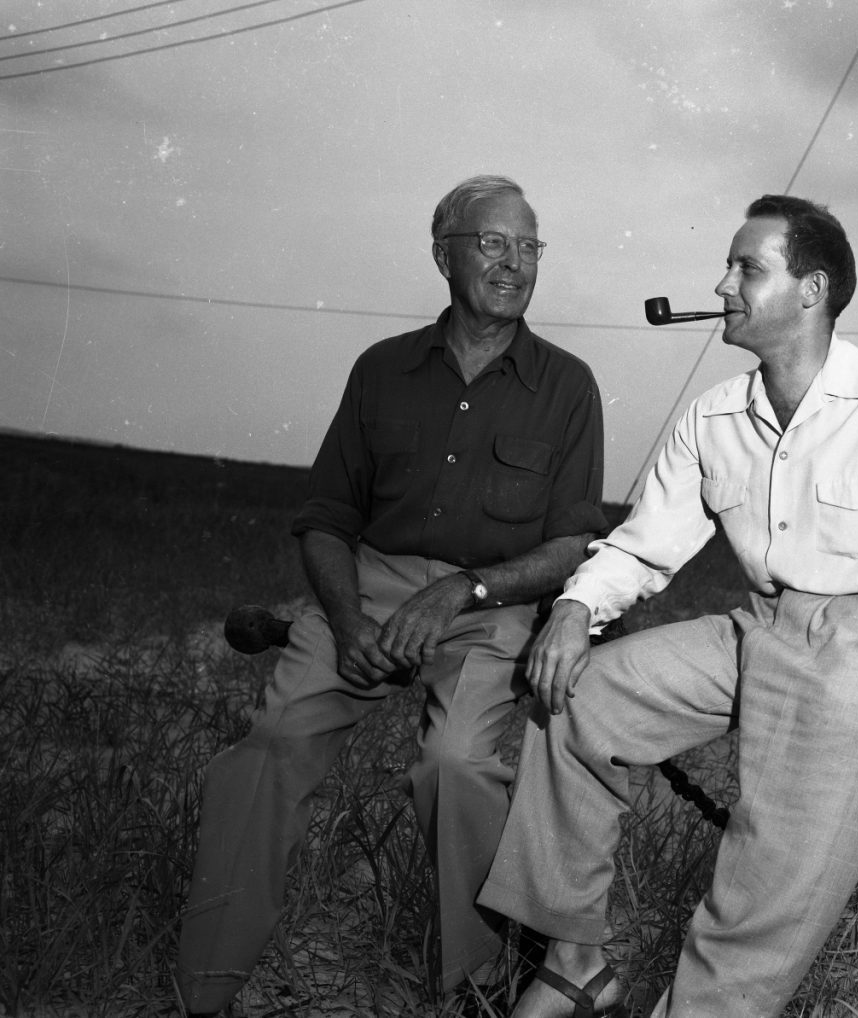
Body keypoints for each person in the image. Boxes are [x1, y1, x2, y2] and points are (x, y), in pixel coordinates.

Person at [475, 194, 858, 1017]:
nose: (723, 282)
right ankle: (575, 960)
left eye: (746, 268)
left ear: (812, 289)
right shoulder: (715, 417)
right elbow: (641, 543)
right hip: (766, 625)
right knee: (575, 700)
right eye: (728, 264)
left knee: (772, 867)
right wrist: (572, 611)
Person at [176, 174, 607, 1015]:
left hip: (492, 601)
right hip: (366, 590)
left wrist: (463, 588)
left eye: (529, 246)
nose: (513, 263)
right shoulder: (381, 371)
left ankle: (478, 985)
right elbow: (328, 519)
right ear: (443, 252)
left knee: (457, 766)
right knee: (269, 748)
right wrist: (343, 621)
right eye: (492, 242)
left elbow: (569, 545)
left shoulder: (568, 386)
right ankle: (204, 990)